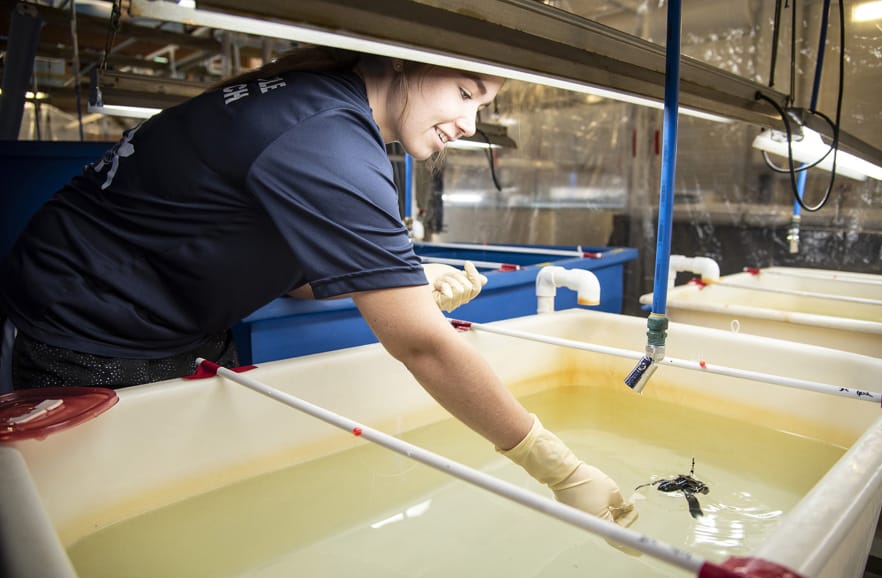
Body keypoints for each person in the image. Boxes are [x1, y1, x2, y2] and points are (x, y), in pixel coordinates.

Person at [0, 46, 636, 529]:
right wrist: (557, 467)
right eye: (467, 93)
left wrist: (401, 279)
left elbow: (282, 267)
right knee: (126, 525)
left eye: (483, 105)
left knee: (198, 506)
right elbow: (423, 346)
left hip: (158, 319)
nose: (470, 123)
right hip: (93, 334)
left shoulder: (308, 101)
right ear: (403, 62)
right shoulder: (328, 137)